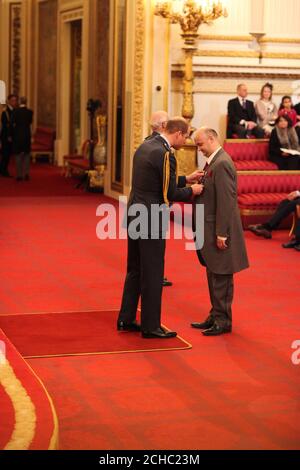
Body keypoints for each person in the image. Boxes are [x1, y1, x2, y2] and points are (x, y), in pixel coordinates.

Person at [117, 118, 203, 338]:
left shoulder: (147, 144)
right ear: (178, 134)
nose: (186, 141)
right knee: (153, 273)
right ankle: (151, 326)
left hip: (136, 212)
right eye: (186, 136)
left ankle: (126, 319)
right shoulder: (166, 154)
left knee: (135, 269)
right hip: (151, 217)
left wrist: (185, 179)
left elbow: (158, 180)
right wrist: (191, 190)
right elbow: (169, 193)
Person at [191, 127, 249, 336]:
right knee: (213, 272)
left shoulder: (222, 163)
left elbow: (226, 202)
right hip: (210, 227)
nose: (199, 149)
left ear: (211, 139)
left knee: (221, 275)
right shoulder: (214, 162)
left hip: (218, 229)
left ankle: (223, 320)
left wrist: (222, 233)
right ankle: (216, 314)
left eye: (200, 144)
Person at [146, 110, 173, 287]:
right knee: (154, 246)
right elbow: (165, 182)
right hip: (154, 204)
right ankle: (155, 275)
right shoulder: (160, 148)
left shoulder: (147, 142)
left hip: (144, 203)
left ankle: (154, 274)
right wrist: (189, 190)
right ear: (163, 126)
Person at [12, 96, 33, 181]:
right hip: (27, 135)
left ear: (20, 102)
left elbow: (12, 123)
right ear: (26, 102)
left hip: (17, 135)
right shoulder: (30, 112)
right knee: (26, 154)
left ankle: (19, 175)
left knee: (17, 155)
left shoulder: (15, 111)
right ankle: (26, 173)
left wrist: (10, 135)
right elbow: (30, 122)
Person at [0, 93, 18, 176]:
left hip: (13, 136)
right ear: (9, 101)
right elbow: (6, 125)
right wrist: (8, 136)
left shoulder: (16, 111)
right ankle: (3, 171)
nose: (14, 102)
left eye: (15, 100)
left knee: (8, 154)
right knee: (5, 154)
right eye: (13, 100)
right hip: (6, 136)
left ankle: (2, 169)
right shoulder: (5, 112)